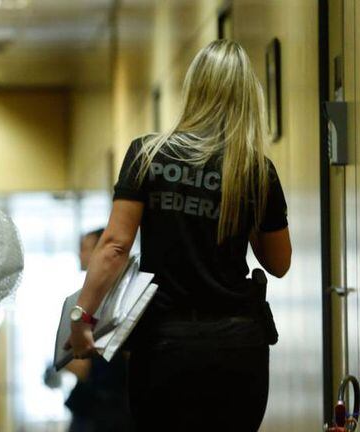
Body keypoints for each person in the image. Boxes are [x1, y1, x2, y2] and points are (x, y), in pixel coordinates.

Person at [66, 40, 292, 432]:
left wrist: (82, 315)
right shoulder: (256, 171)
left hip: (164, 344)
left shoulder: (148, 155)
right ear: (248, 97)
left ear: (194, 89)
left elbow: (115, 245)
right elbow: (279, 262)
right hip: (238, 345)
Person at [64, 229, 132, 432]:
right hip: (103, 406)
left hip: (108, 409)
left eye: (85, 248)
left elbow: (81, 367)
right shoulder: (103, 298)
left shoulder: (95, 303)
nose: (80, 254)